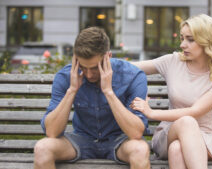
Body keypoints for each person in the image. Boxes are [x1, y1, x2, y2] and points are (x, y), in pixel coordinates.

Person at [130, 14, 212, 169]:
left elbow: (195, 111)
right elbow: (130, 68)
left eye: (190, 39)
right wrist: (102, 60)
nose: (182, 44)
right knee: (186, 123)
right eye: (182, 38)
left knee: (177, 149)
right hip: (170, 132)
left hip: (205, 136)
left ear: (207, 41)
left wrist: (151, 113)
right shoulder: (173, 61)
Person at [34, 27, 151, 169]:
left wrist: (109, 92)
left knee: (140, 149)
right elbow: (52, 132)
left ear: (108, 56)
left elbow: (136, 132)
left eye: (95, 68)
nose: (89, 75)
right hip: (82, 139)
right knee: (42, 148)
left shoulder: (133, 76)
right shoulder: (65, 76)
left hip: (120, 140)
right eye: (83, 67)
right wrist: (72, 90)